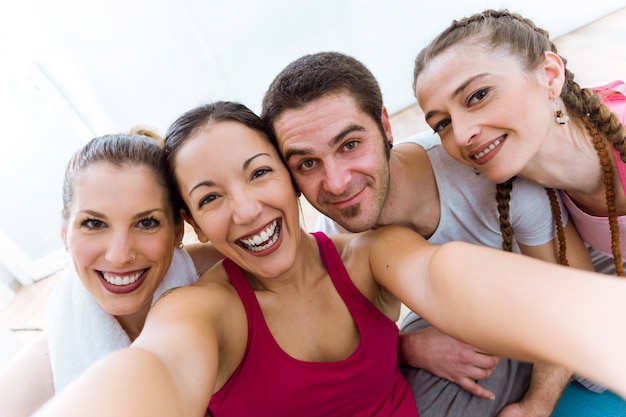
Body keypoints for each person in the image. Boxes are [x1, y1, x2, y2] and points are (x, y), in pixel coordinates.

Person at [33, 101, 626, 417]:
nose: (245, 211)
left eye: (259, 173)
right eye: (211, 197)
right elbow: (155, 371)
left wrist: (605, 325)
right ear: (193, 221)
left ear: (293, 180)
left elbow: (447, 278)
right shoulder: (203, 313)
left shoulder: (367, 257)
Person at [260, 51, 591, 416]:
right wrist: (410, 347)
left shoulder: (483, 169)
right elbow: (343, 349)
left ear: (385, 126)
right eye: (308, 163)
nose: (337, 183)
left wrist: (536, 406)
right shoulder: (334, 237)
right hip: (455, 329)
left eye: (350, 145)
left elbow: (573, 290)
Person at [411, 8, 626, 412]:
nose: (461, 135)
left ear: (549, 75)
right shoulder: (531, 182)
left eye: (478, 95)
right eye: (441, 123)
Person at [0, 129, 223, 417]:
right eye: (94, 223)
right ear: (65, 232)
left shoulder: (221, 274)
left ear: (178, 229)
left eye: (145, 223)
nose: (119, 256)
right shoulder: (41, 369)